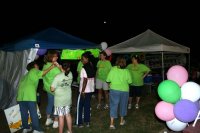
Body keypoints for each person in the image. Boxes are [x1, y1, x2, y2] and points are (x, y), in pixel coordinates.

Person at [17, 60, 56, 133]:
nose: (38, 66)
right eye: (37, 65)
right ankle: (36, 129)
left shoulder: (26, 75)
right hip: (29, 95)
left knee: (24, 113)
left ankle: (26, 128)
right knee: (33, 113)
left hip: (21, 96)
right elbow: (42, 73)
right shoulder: (34, 71)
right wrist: (51, 67)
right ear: (34, 66)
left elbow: (42, 76)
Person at [106, 56, 132, 129]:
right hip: (124, 90)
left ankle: (111, 124)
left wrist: (110, 85)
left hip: (114, 90)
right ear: (124, 63)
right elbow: (130, 81)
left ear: (117, 62)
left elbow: (108, 80)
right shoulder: (126, 71)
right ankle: (121, 121)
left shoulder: (113, 69)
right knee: (123, 105)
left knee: (114, 105)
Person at [51, 62, 73, 133]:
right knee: (68, 115)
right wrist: (59, 67)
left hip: (60, 100)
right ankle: (70, 131)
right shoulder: (70, 74)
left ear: (62, 68)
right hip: (67, 98)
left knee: (61, 117)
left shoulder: (58, 76)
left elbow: (52, 89)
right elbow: (64, 72)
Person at [42, 50, 62, 128]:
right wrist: (60, 68)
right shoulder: (54, 67)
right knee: (56, 104)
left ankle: (48, 120)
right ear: (50, 57)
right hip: (55, 89)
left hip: (48, 88)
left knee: (50, 103)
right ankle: (56, 122)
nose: (57, 57)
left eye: (57, 56)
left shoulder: (45, 65)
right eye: (55, 56)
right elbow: (63, 75)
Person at [76, 51, 95, 128]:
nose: (82, 60)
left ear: (87, 59)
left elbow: (85, 80)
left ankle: (79, 123)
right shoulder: (91, 66)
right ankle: (87, 122)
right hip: (90, 90)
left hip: (84, 90)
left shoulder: (84, 68)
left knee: (79, 106)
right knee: (87, 105)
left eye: (83, 59)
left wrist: (83, 90)